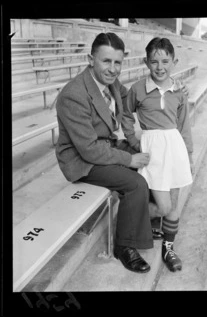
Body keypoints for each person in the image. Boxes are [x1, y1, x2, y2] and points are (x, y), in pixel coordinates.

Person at [55, 32, 155, 274]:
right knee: (135, 183)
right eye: (106, 61)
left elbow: (129, 96)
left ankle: (146, 220)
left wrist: (168, 88)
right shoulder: (73, 95)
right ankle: (125, 247)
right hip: (81, 160)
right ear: (91, 59)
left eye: (117, 62)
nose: (112, 69)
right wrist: (128, 159)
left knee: (151, 157)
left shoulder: (110, 82)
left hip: (105, 147)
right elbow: (88, 150)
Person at [121, 37, 193, 272]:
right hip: (153, 150)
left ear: (174, 61)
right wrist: (133, 140)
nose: (160, 67)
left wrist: (188, 155)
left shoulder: (179, 90)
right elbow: (125, 115)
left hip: (175, 148)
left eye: (165, 61)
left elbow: (184, 125)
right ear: (146, 62)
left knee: (174, 205)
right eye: (154, 62)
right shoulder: (138, 89)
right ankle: (128, 220)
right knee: (163, 207)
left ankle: (168, 248)